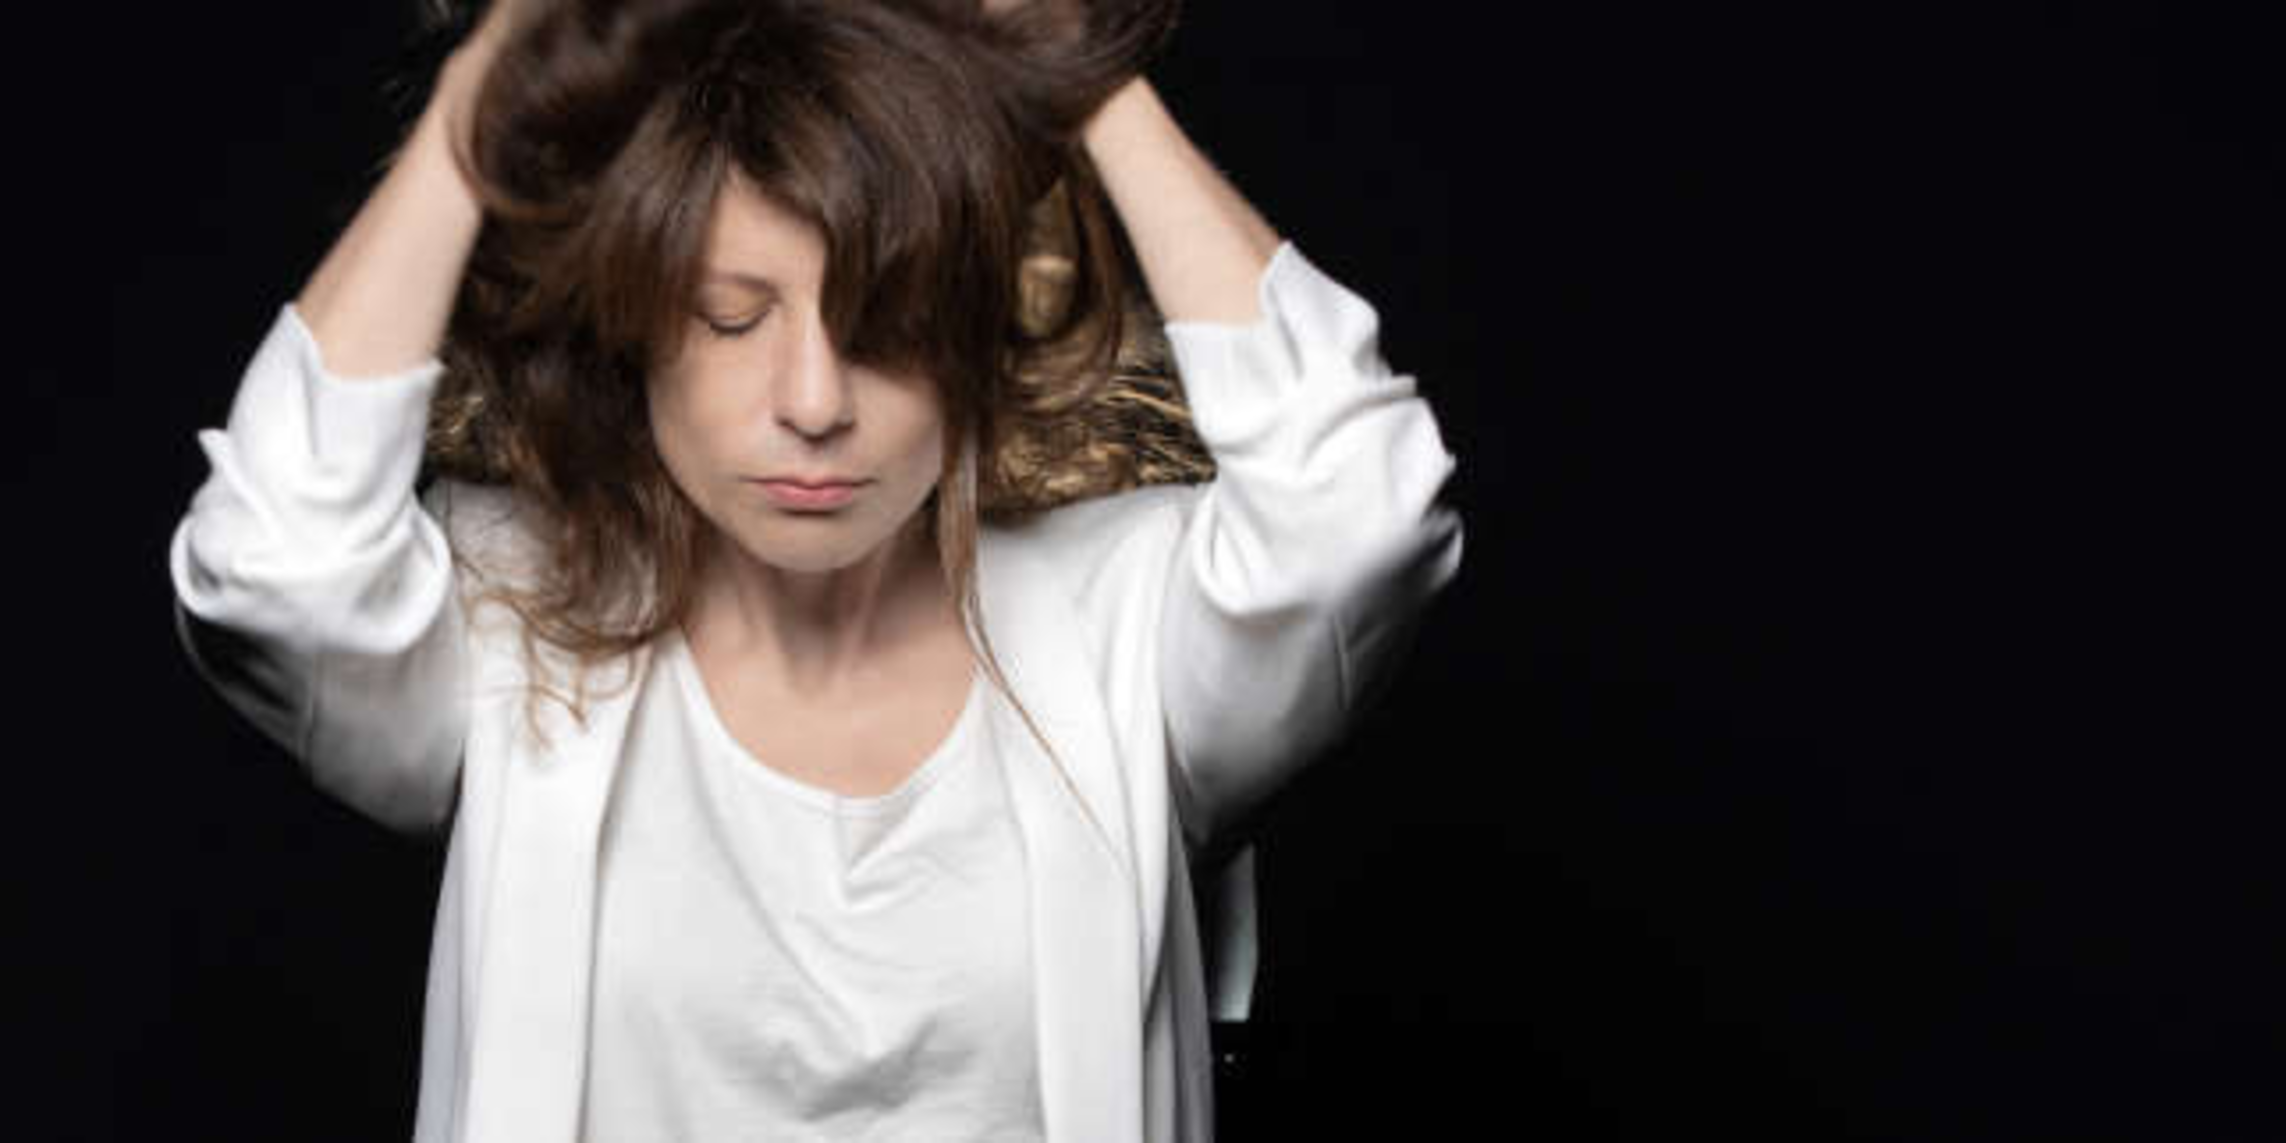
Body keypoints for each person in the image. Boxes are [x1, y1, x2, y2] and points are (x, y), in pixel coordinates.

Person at [167, 0, 1465, 1139]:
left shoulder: (1125, 628)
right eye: (733, 317)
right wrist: (494, 83)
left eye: (888, 321)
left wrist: (1087, 83)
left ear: (979, 334)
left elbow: (1360, 512)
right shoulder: (511, 622)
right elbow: (272, 564)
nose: (813, 401)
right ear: (634, 328)